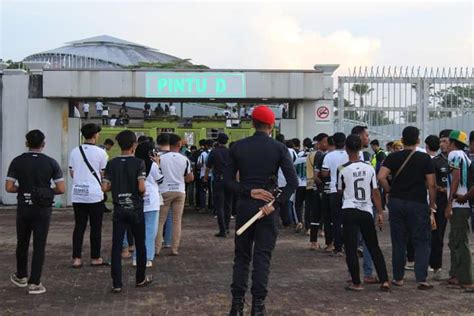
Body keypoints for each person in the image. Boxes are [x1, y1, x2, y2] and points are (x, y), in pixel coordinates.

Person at [225, 105, 298, 315]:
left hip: (245, 207)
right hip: (267, 209)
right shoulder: (279, 148)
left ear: (252, 123)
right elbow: (292, 183)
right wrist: (274, 205)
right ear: (271, 124)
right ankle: (258, 307)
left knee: (241, 257)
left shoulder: (238, 147)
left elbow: (227, 181)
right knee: (262, 258)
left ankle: (236, 305)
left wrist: (249, 191)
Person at [6, 130, 65, 295]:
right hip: (42, 209)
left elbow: (9, 187)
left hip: (24, 207)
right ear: (43, 144)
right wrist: (46, 191)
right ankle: (35, 282)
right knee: (40, 245)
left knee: (22, 242)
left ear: (26, 143)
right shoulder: (51, 163)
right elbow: (61, 188)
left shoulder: (17, 162)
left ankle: (21, 275)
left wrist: (24, 190)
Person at [377, 126, 436, 290]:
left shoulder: (392, 157)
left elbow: (381, 177)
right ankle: (421, 279)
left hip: (397, 203)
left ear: (402, 141)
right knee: (422, 241)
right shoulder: (425, 159)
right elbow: (431, 185)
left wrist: (389, 190)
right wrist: (432, 204)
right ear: (418, 141)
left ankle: (398, 278)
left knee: (398, 241)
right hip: (417, 203)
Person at [337, 134, 390, 292]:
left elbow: (340, 190)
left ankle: (356, 282)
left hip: (349, 209)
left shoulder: (342, 169)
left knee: (351, 248)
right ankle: (385, 280)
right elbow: (375, 192)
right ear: (361, 148)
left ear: (346, 149)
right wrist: (380, 212)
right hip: (366, 210)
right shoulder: (369, 168)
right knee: (373, 246)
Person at [102, 130, 153, 293]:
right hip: (136, 208)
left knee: (116, 246)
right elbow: (141, 187)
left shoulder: (112, 163)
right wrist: (141, 193)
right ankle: (140, 279)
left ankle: (117, 283)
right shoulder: (139, 163)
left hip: (119, 209)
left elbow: (105, 187)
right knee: (140, 244)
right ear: (134, 145)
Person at [69, 123, 108, 268]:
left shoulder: (74, 151)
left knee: (79, 226)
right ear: (95, 135)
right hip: (94, 195)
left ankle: (77, 259)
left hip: (78, 194)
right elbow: (103, 174)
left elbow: (72, 172)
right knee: (95, 227)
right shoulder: (101, 153)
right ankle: (95, 257)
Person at [444, 130, 474, 291]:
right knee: (453, 240)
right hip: (462, 204)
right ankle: (456, 275)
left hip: (459, 205)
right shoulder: (463, 155)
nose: (445, 145)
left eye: (447, 142)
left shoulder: (454, 154)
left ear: (453, 143)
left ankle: (467, 279)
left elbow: (455, 178)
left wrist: (449, 203)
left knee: (460, 242)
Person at [155, 134, 194, 256]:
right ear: (179, 145)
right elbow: (189, 178)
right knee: (177, 221)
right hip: (180, 191)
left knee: (160, 221)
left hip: (164, 191)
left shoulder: (160, 158)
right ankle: (174, 248)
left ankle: (157, 248)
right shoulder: (184, 159)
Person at [134, 141, 164, 267]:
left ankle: (136, 257)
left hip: (137, 199)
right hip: (151, 199)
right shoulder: (152, 165)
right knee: (150, 230)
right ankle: (146, 258)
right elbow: (160, 180)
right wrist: (158, 164)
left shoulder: (134, 163)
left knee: (138, 230)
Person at [429, 130, 450, 280]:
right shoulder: (435, 161)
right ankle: (437, 266)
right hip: (441, 202)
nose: (442, 145)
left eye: (445, 141)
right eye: (441, 141)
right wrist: (440, 189)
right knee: (438, 234)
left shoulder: (460, 158)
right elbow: (431, 183)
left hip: (457, 201)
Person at [204, 133, 232, 237]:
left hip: (218, 180)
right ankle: (228, 227)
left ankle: (222, 229)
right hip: (230, 180)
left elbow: (208, 166)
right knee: (228, 205)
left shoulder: (214, 152)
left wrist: (205, 178)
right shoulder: (231, 152)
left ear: (217, 141)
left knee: (219, 206)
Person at [306, 133, 328, 250]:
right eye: (325, 142)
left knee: (314, 213)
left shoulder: (311, 154)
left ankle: (314, 241)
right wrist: (323, 185)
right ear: (319, 143)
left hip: (313, 187)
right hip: (319, 189)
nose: (327, 143)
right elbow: (316, 175)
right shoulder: (320, 155)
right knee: (319, 214)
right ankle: (316, 241)